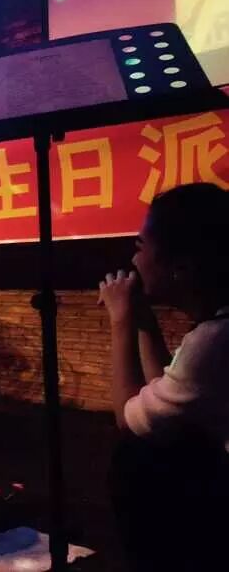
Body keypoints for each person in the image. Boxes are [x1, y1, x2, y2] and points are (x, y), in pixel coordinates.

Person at [97, 183, 229, 571]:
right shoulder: (214, 334)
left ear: (180, 268)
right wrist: (143, 321)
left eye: (141, 246)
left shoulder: (214, 342)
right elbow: (167, 409)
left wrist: (121, 320)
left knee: (134, 459)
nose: (133, 259)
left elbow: (129, 420)